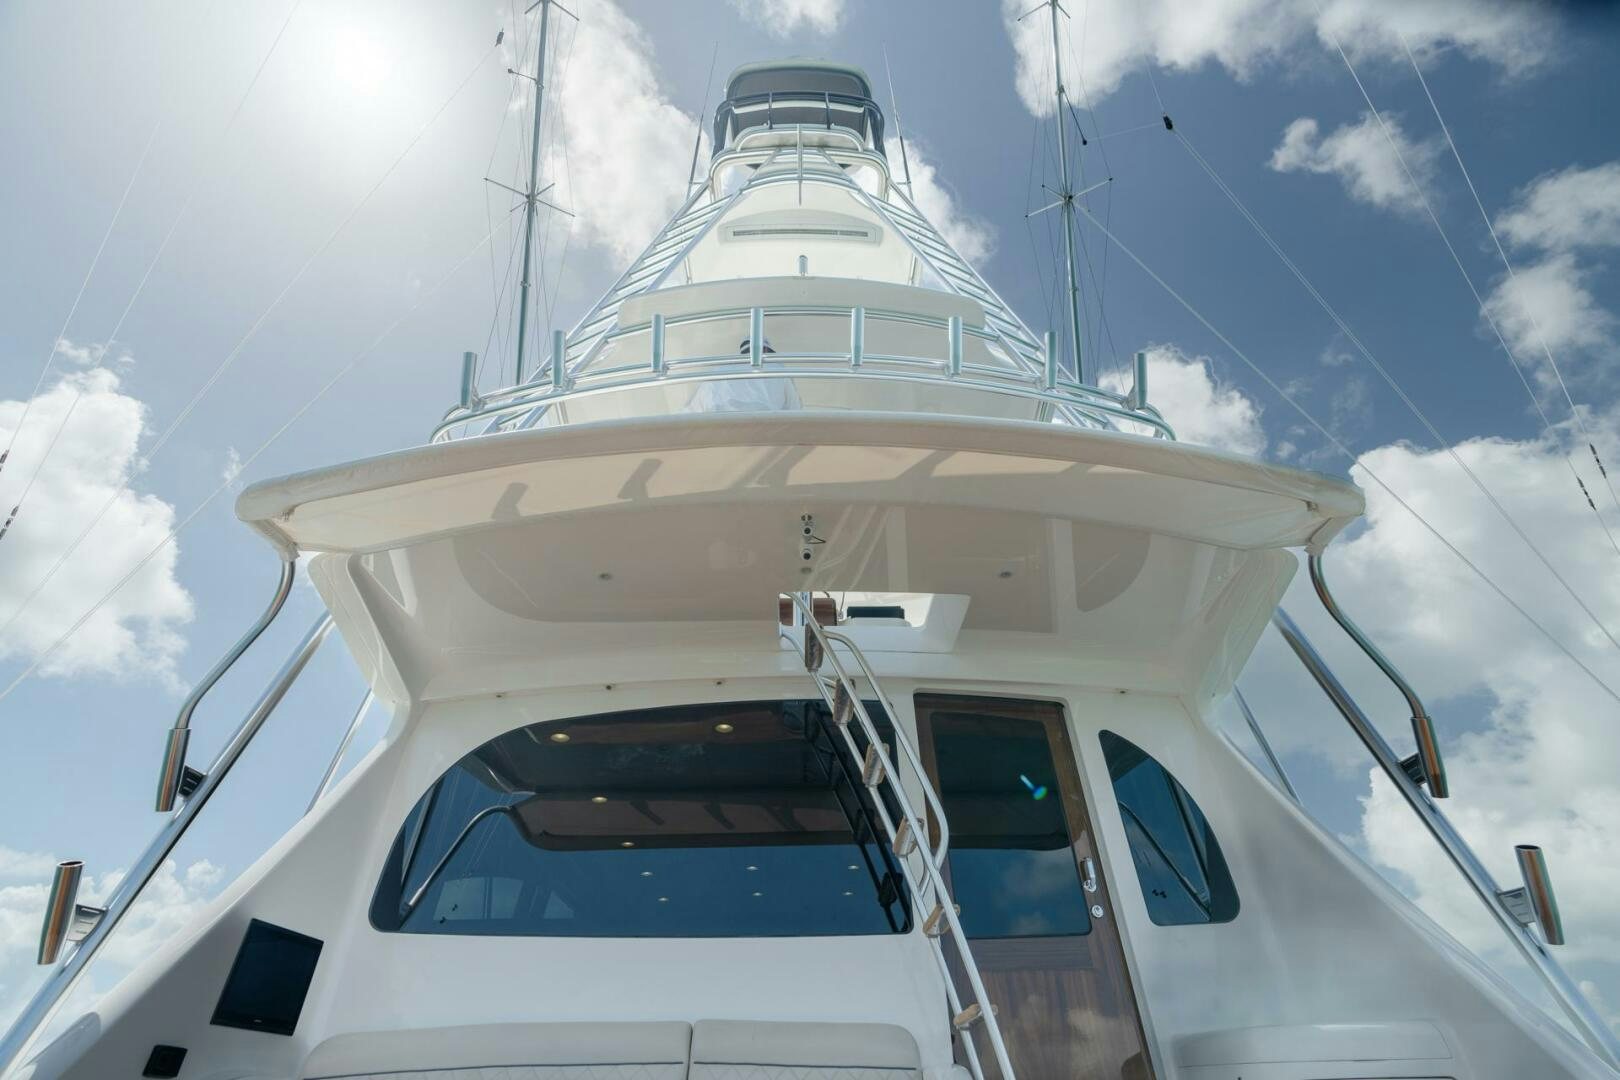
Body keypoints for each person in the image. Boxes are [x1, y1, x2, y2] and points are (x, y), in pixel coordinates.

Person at [685, 336, 803, 413]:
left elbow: (691, 411)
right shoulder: (777, 369)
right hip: (763, 426)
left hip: (719, 426)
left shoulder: (718, 370)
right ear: (766, 351)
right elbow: (795, 409)